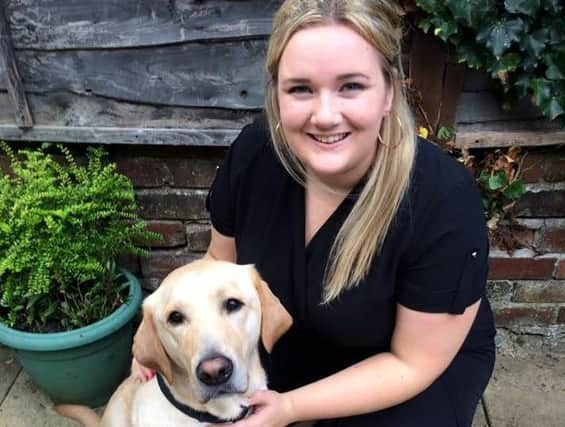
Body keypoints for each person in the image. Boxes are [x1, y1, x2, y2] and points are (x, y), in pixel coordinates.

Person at [135, 0, 496, 425]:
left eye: (351, 86)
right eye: (301, 88)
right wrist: (161, 336)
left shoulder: (442, 199)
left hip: (404, 370)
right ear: (277, 95)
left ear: (389, 92)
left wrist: (289, 408)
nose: (325, 116)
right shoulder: (254, 155)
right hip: (296, 343)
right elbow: (218, 263)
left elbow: (412, 363)